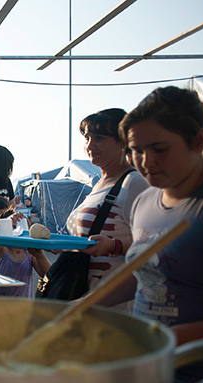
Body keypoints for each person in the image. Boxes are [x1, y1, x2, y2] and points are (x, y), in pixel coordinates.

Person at [96, 86, 203, 383]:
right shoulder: (144, 201)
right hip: (148, 374)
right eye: (136, 149)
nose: (146, 161)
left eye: (160, 148)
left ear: (198, 141)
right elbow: (146, 272)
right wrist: (85, 306)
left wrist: (160, 340)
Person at [66, 108, 149, 292]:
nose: (90, 145)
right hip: (87, 296)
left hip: (118, 304)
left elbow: (156, 247)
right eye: (87, 138)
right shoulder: (99, 184)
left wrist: (114, 246)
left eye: (99, 138)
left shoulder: (134, 183)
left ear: (122, 142)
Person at [0, 196, 50, 297]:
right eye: (14, 229)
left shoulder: (29, 253)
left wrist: (40, 254)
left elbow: (48, 275)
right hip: (2, 307)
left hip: (24, 308)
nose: (18, 233)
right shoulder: (2, 250)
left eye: (21, 229)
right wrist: (7, 221)